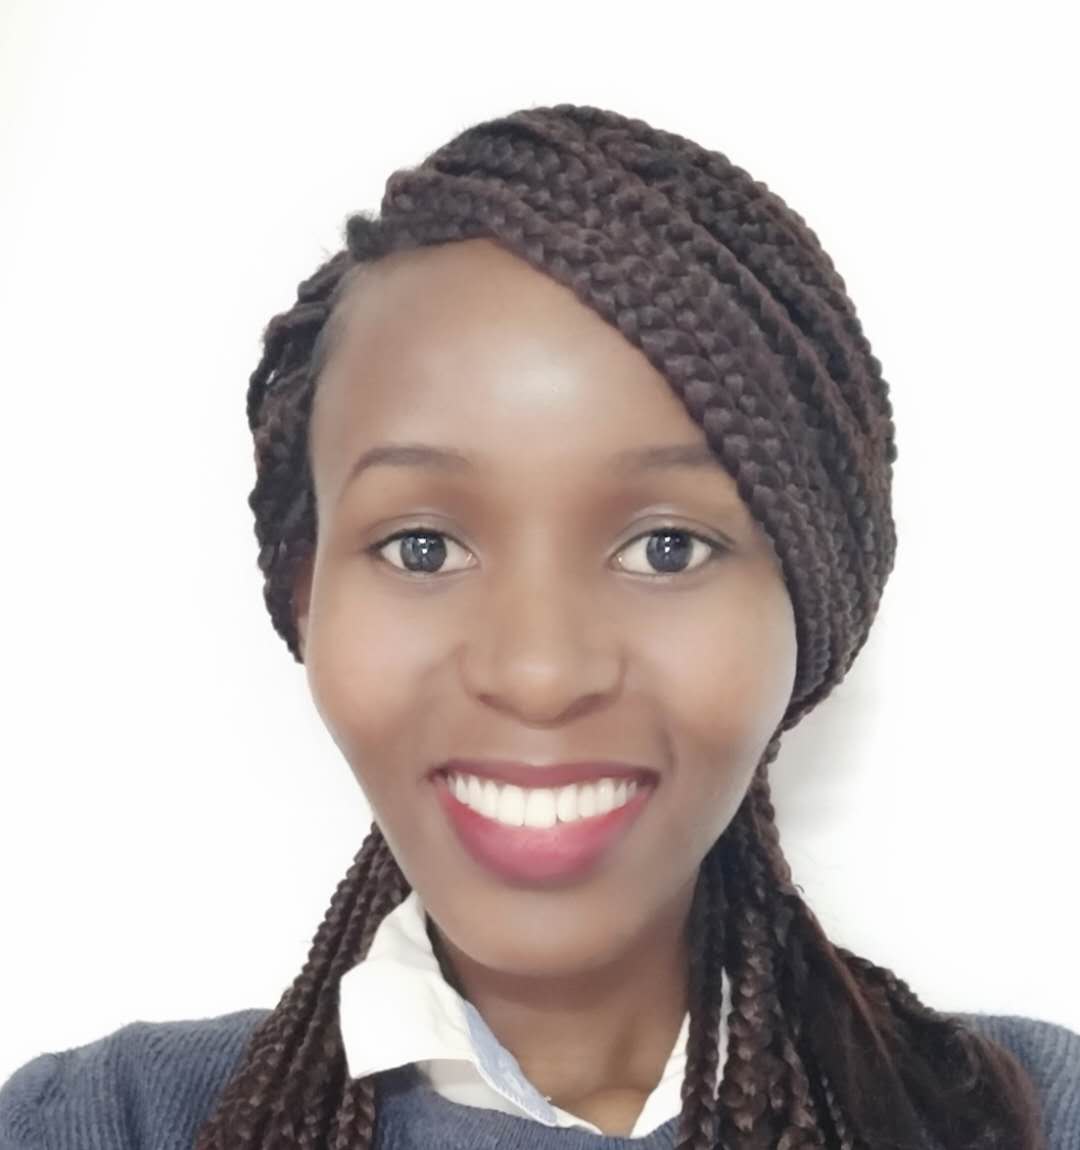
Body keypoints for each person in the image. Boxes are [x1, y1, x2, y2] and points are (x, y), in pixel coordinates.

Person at [1, 102, 1076, 1150]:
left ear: (810, 606)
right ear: (303, 594)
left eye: (668, 548)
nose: (540, 673)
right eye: (423, 548)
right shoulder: (106, 1123)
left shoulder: (1027, 1118)